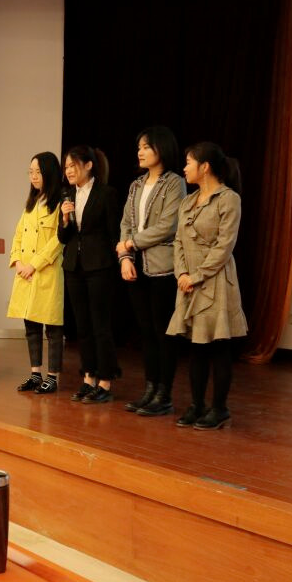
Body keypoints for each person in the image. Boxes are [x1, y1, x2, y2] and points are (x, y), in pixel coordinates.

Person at [166, 142, 247, 430]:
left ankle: (220, 408)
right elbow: (178, 241)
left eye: (189, 162)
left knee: (218, 346)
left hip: (214, 282)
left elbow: (224, 246)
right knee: (196, 346)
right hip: (188, 282)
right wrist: (181, 273)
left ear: (205, 167)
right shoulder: (187, 201)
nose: (184, 168)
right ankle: (196, 405)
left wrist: (196, 275)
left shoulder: (229, 199)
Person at [116, 126, 186, 417]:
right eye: (139, 147)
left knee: (163, 333)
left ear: (162, 149)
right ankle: (149, 389)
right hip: (135, 266)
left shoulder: (175, 183)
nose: (140, 152)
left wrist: (131, 242)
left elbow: (168, 226)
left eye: (146, 147)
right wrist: (125, 257)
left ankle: (164, 394)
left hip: (162, 268)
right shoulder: (135, 185)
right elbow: (125, 223)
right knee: (146, 333)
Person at [58, 146, 122, 403]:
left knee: (100, 325)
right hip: (74, 266)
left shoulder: (106, 194)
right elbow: (64, 237)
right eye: (66, 167)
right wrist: (64, 219)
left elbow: (113, 232)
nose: (68, 171)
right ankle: (88, 378)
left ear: (88, 165)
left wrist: (119, 261)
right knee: (82, 325)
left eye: (73, 165)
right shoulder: (68, 195)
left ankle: (105, 381)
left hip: (99, 266)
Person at [8, 152, 65, 394]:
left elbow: (58, 240)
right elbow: (18, 235)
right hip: (26, 273)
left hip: (47, 272)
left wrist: (34, 264)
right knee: (30, 324)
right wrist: (17, 261)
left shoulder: (60, 202)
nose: (33, 176)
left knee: (52, 327)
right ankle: (35, 373)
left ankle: (52, 377)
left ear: (49, 173)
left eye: (38, 172)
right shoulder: (31, 204)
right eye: (30, 172)